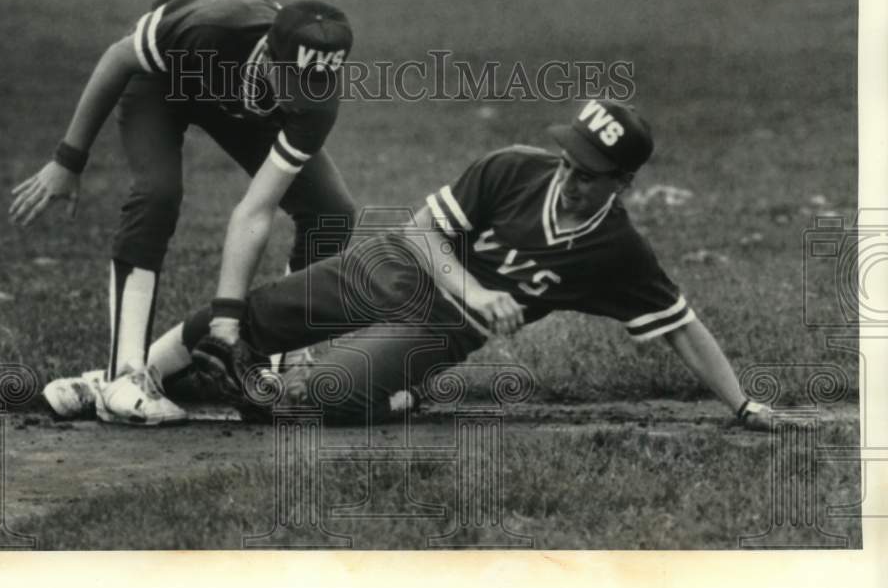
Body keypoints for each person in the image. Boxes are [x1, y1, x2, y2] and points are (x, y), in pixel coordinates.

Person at [152, 98, 775, 431]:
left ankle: (391, 395)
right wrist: (476, 289)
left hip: (439, 332)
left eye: (588, 173)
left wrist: (743, 406)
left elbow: (680, 325)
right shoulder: (512, 168)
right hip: (397, 265)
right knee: (241, 321)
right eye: (567, 160)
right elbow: (422, 231)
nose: (569, 177)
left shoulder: (616, 253)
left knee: (316, 400)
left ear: (626, 182)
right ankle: (128, 377)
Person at [10, 0, 357, 424]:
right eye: (292, 80)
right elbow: (118, 59)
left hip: (238, 102)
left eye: (313, 86)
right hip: (163, 81)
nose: (299, 98)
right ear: (268, 54)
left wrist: (231, 326)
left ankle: (286, 359)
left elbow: (257, 207)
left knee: (331, 211)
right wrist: (68, 158)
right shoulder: (215, 27)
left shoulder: (315, 99)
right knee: (158, 192)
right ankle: (124, 373)